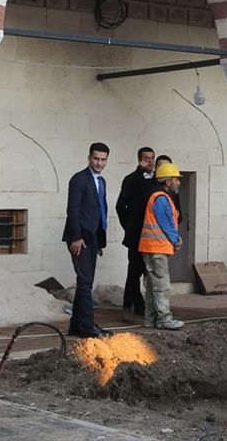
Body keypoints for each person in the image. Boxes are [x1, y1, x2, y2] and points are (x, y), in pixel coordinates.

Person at [62, 142, 111, 338]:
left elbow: (100, 210)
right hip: (79, 238)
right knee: (85, 282)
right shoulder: (79, 179)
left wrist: (99, 239)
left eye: (103, 159)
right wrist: (76, 237)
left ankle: (77, 326)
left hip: (92, 238)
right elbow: (72, 210)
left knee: (85, 282)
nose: (99, 163)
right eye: (96, 159)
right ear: (89, 158)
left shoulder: (101, 181)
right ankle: (88, 327)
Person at [138, 162, 186, 330]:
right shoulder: (161, 198)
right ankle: (164, 318)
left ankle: (151, 319)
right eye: (176, 179)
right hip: (157, 248)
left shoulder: (156, 196)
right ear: (167, 182)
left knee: (152, 286)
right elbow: (166, 222)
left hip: (150, 247)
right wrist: (175, 239)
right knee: (162, 285)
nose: (178, 182)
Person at [116, 146, 156, 323]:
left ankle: (144, 306)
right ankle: (127, 306)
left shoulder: (157, 180)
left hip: (153, 236)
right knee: (134, 272)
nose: (150, 161)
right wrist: (129, 227)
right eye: (146, 158)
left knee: (151, 273)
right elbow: (120, 206)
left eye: (152, 158)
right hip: (136, 236)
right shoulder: (131, 179)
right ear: (139, 159)